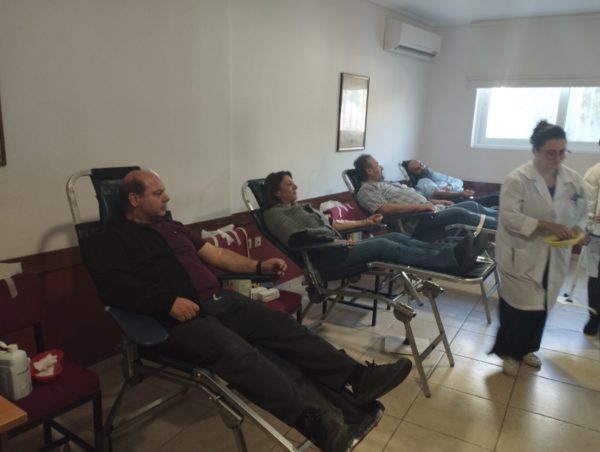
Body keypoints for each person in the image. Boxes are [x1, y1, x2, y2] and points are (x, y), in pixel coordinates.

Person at [86, 170, 414, 452]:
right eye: (158, 193)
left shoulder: (174, 227)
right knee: (240, 354)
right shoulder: (111, 239)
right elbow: (114, 287)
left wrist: (257, 266)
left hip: (219, 301)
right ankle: (314, 422)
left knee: (285, 328)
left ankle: (358, 377)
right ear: (133, 199)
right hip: (177, 319)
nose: (167, 198)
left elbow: (217, 257)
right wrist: (166, 303)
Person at [490, 120, 587, 376]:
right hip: (522, 252)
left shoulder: (573, 180)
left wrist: (578, 231)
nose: (557, 158)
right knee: (517, 309)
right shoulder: (518, 179)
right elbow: (509, 217)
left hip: (555, 255)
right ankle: (509, 352)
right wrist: (545, 225)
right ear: (536, 151)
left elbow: (582, 212)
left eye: (562, 152)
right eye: (551, 153)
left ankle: (528, 349)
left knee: (542, 306)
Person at [262, 171, 488, 276]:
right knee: (383, 245)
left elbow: (334, 225)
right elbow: (297, 239)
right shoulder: (274, 214)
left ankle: (453, 252)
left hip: (338, 248)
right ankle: (451, 261)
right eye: (289, 185)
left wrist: (365, 221)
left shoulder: (301, 207)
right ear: (276, 192)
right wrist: (340, 243)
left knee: (396, 237)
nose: (295, 187)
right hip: (324, 258)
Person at [353, 154, 498, 242]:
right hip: (417, 221)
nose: (381, 167)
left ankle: (502, 220)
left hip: (429, 210)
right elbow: (384, 209)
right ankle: (502, 228)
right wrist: (420, 207)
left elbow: (417, 197)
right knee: (460, 213)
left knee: (470, 205)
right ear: (369, 171)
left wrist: (436, 201)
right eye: (377, 165)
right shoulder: (366, 190)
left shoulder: (387, 184)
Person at [401, 159, 500, 207]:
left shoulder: (435, 175)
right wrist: (461, 193)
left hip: (464, 196)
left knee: (498, 195)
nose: (423, 168)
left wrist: (450, 186)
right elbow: (438, 194)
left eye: (421, 164)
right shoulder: (423, 182)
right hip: (454, 202)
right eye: (418, 169)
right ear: (413, 175)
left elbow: (458, 181)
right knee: (496, 198)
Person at [582, 156, 600, 335]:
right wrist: (586, 229)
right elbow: (588, 203)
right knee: (595, 277)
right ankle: (594, 317)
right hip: (597, 233)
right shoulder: (595, 172)